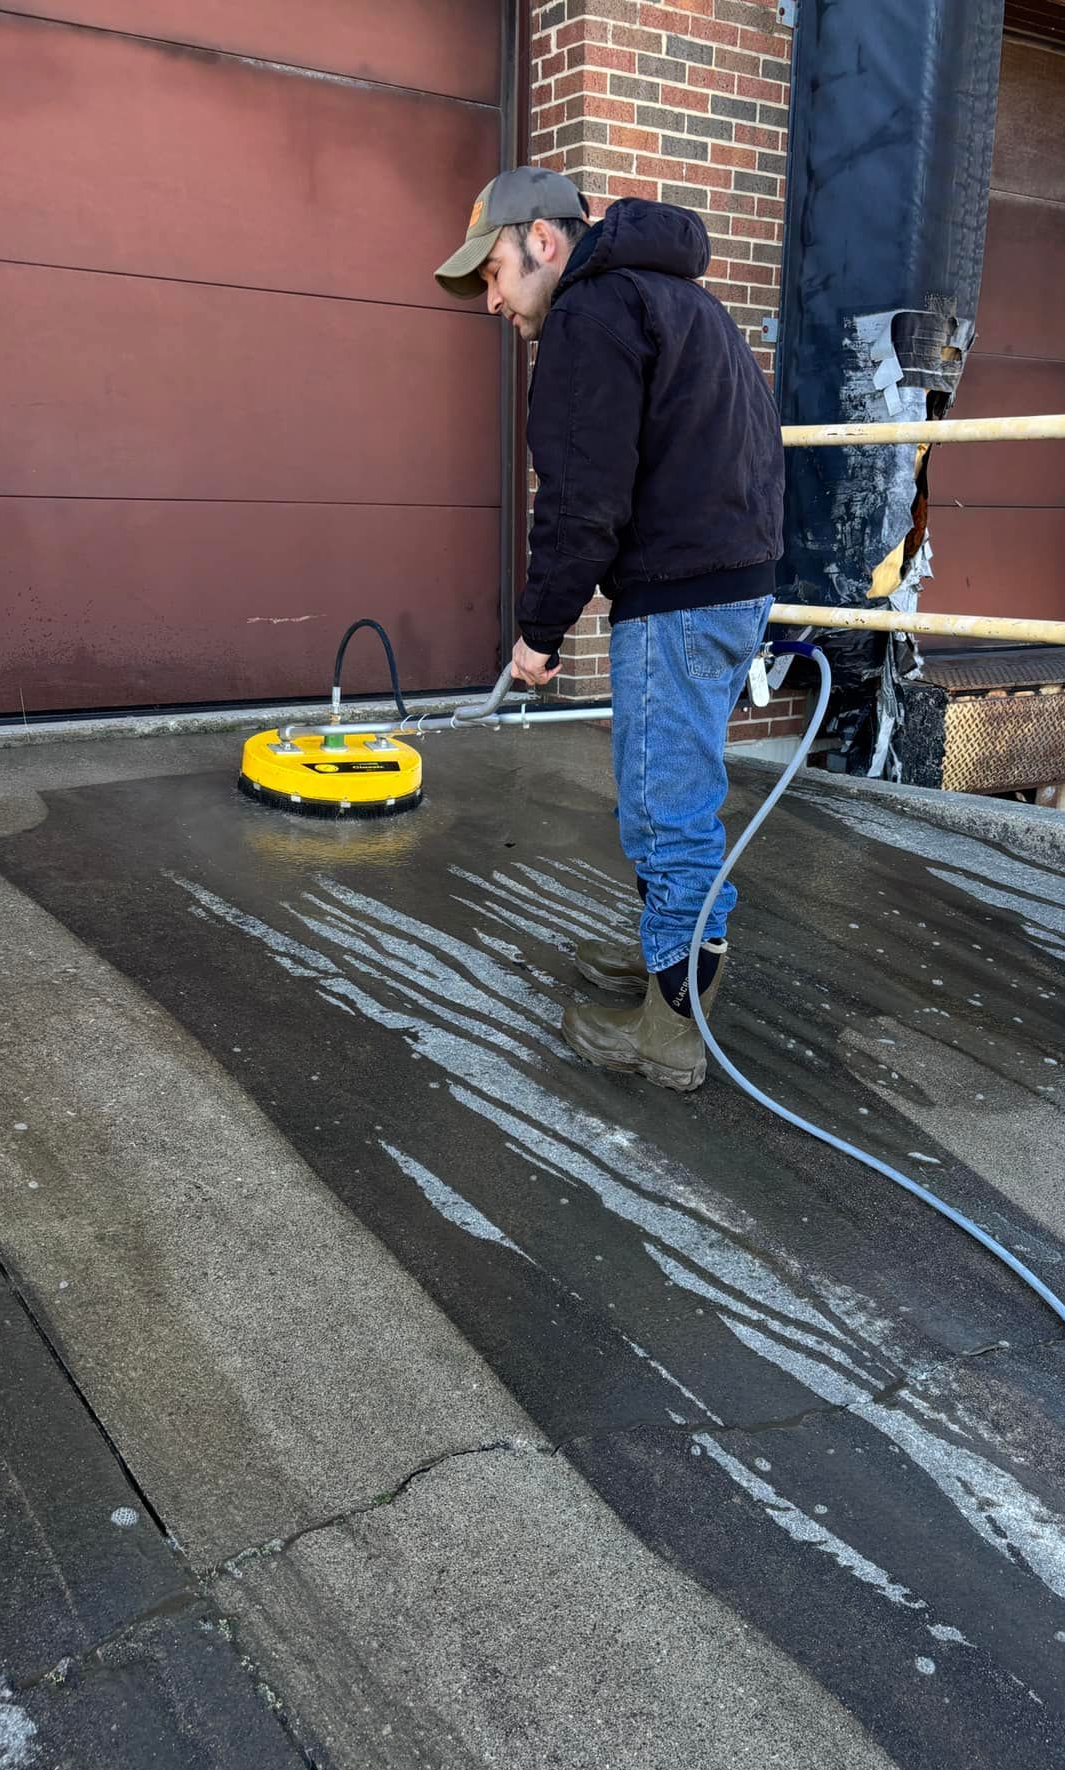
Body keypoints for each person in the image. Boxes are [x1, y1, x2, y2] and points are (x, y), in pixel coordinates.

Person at [436, 165, 786, 1092]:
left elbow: (582, 504)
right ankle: (671, 962)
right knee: (668, 794)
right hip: (727, 583)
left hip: (680, 594)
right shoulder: (678, 300)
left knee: (664, 809)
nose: (492, 301)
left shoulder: (592, 318)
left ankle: (671, 1027)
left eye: (494, 274)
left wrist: (536, 633)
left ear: (542, 244)